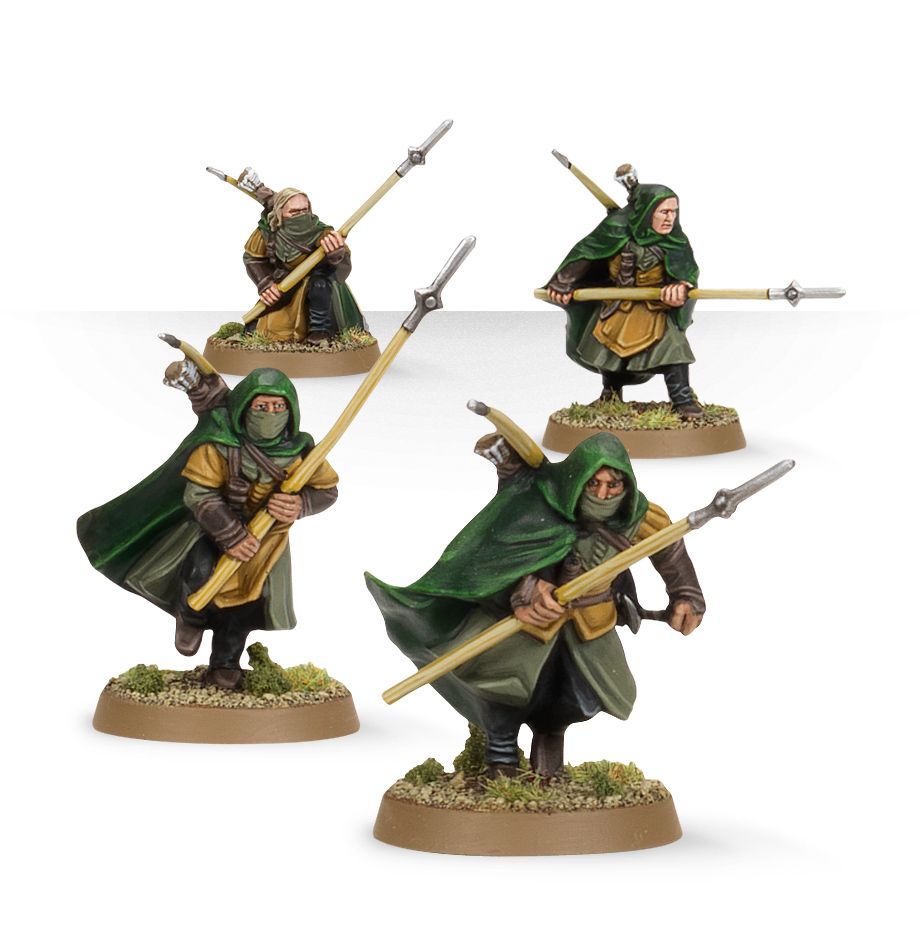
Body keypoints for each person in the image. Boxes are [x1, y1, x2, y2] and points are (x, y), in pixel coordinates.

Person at [366, 432, 704, 777]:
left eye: (613, 485)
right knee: (503, 688)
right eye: (594, 484)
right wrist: (525, 588)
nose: (603, 495)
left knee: (576, 696)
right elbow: (496, 554)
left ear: (626, 485)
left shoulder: (638, 517)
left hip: (590, 623)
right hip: (527, 625)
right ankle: (501, 761)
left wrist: (686, 595)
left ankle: (549, 769)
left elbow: (669, 548)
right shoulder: (540, 505)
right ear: (578, 480)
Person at [77, 367, 338, 688]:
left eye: (278, 407)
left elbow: (327, 490)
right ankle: (190, 617)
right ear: (245, 408)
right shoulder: (221, 444)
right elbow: (199, 494)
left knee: (246, 605)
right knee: (198, 571)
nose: (270, 414)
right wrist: (231, 534)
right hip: (212, 531)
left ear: (291, 411)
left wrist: (301, 504)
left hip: (266, 546)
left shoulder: (302, 452)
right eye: (261, 406)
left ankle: (225, 663)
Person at [546, 182, 703, 416]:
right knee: (608, 351)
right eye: (664, 211)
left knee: (675, 349)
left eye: (674, 211)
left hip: (653, 309)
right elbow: (589, 252)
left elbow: (686, 270)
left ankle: (682, 400)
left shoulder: (676, 241)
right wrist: (564, 281)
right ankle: (610, 394)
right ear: (647, 212)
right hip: (616, 307)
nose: (670, 218)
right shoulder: (616, 231)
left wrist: (680, 286)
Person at [243, 186, 366, 344]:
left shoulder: (321, 232)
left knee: (319, 285)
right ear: (280, 213)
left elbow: (342, 267)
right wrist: (265, 284)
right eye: (294, 212)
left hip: (319, 286)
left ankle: (319, 331)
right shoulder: (268, 232)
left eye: (304, 210)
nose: (301, 215)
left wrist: (336, 254)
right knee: (257, 325)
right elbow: (253, 258)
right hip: (284, 283)